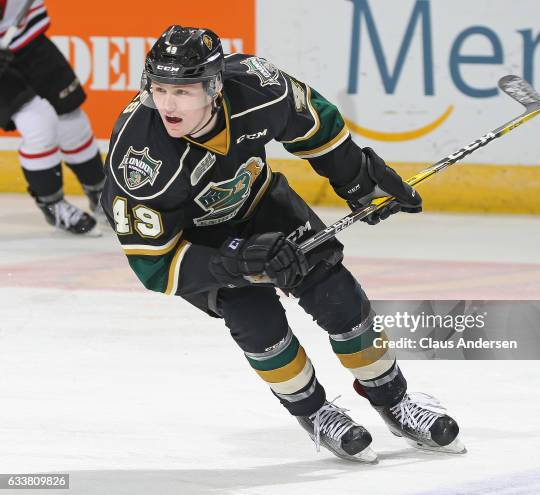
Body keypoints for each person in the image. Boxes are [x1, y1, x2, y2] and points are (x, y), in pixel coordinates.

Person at [101, 25, 465, 463]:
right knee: (258, 324)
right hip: (200, 244)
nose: (166, 104)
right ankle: (315, 414)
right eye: (158, 89)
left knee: (340, 300)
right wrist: (236, 262)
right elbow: (155, 266)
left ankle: (395, 402)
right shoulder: (139, 156)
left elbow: (315, 124)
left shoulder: (260, 87)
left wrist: (358, 179)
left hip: (262, 205)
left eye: (182, 91)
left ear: (214, 86)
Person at [0, 0, 106, 235]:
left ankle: (101, 195)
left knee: (71, 118)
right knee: (39, 124)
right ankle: (52, 205)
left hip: (29, 37)